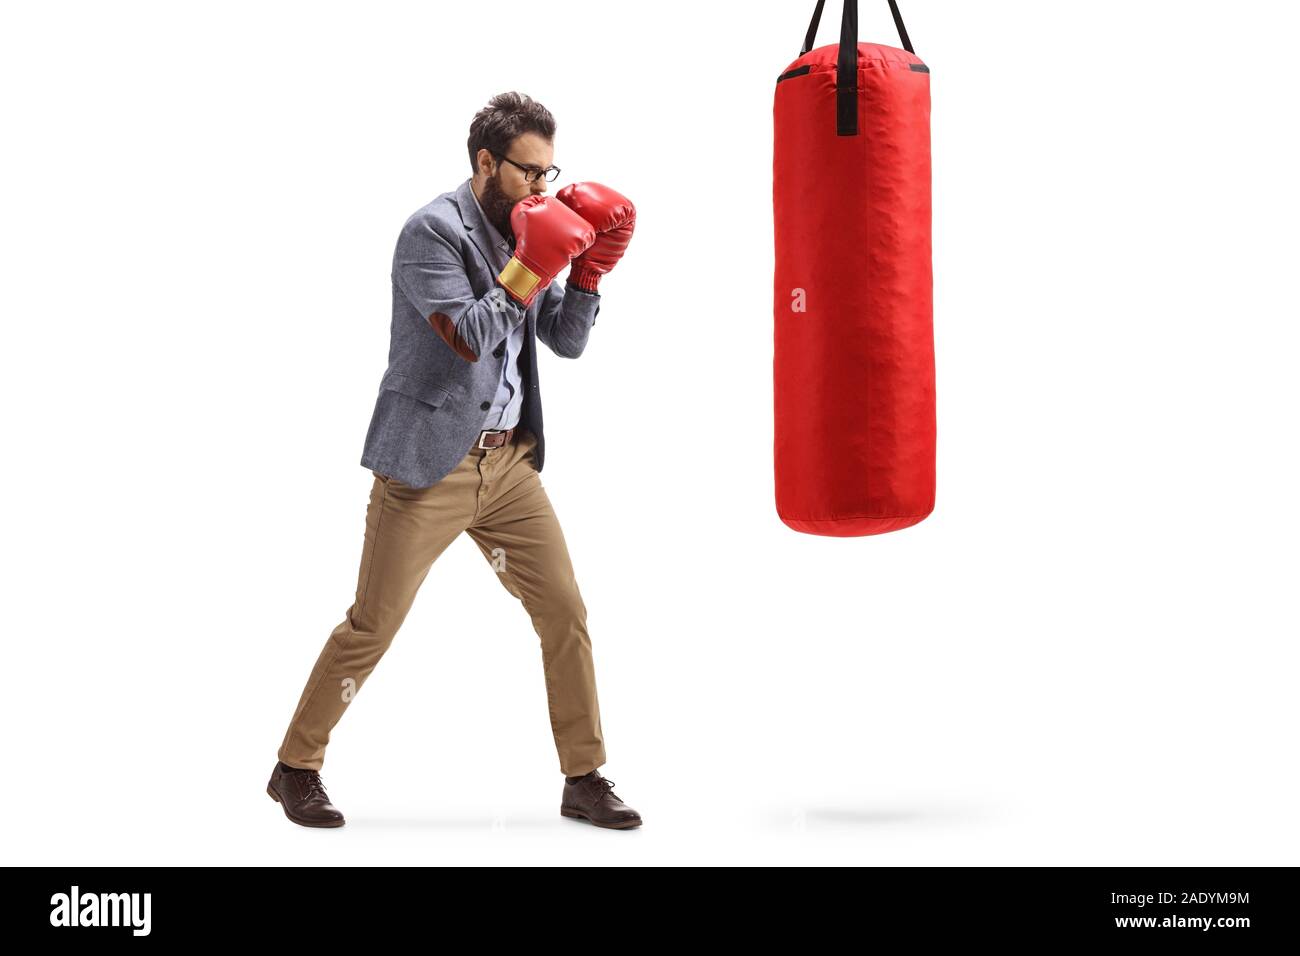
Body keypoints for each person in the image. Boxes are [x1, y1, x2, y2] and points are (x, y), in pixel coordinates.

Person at [266, 91, 641, 830]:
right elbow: (466, 336)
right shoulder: (430, 233)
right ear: (484, 163)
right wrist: (535, 261)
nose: (541, 186)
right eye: (527, 172)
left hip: (507, 469)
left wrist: (589, 272)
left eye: (549, 171)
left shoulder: (535, 225)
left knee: (565, 611)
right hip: (428, 466)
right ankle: (294, 767)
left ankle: (584, 776)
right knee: (372, 624)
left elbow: (563, 342)